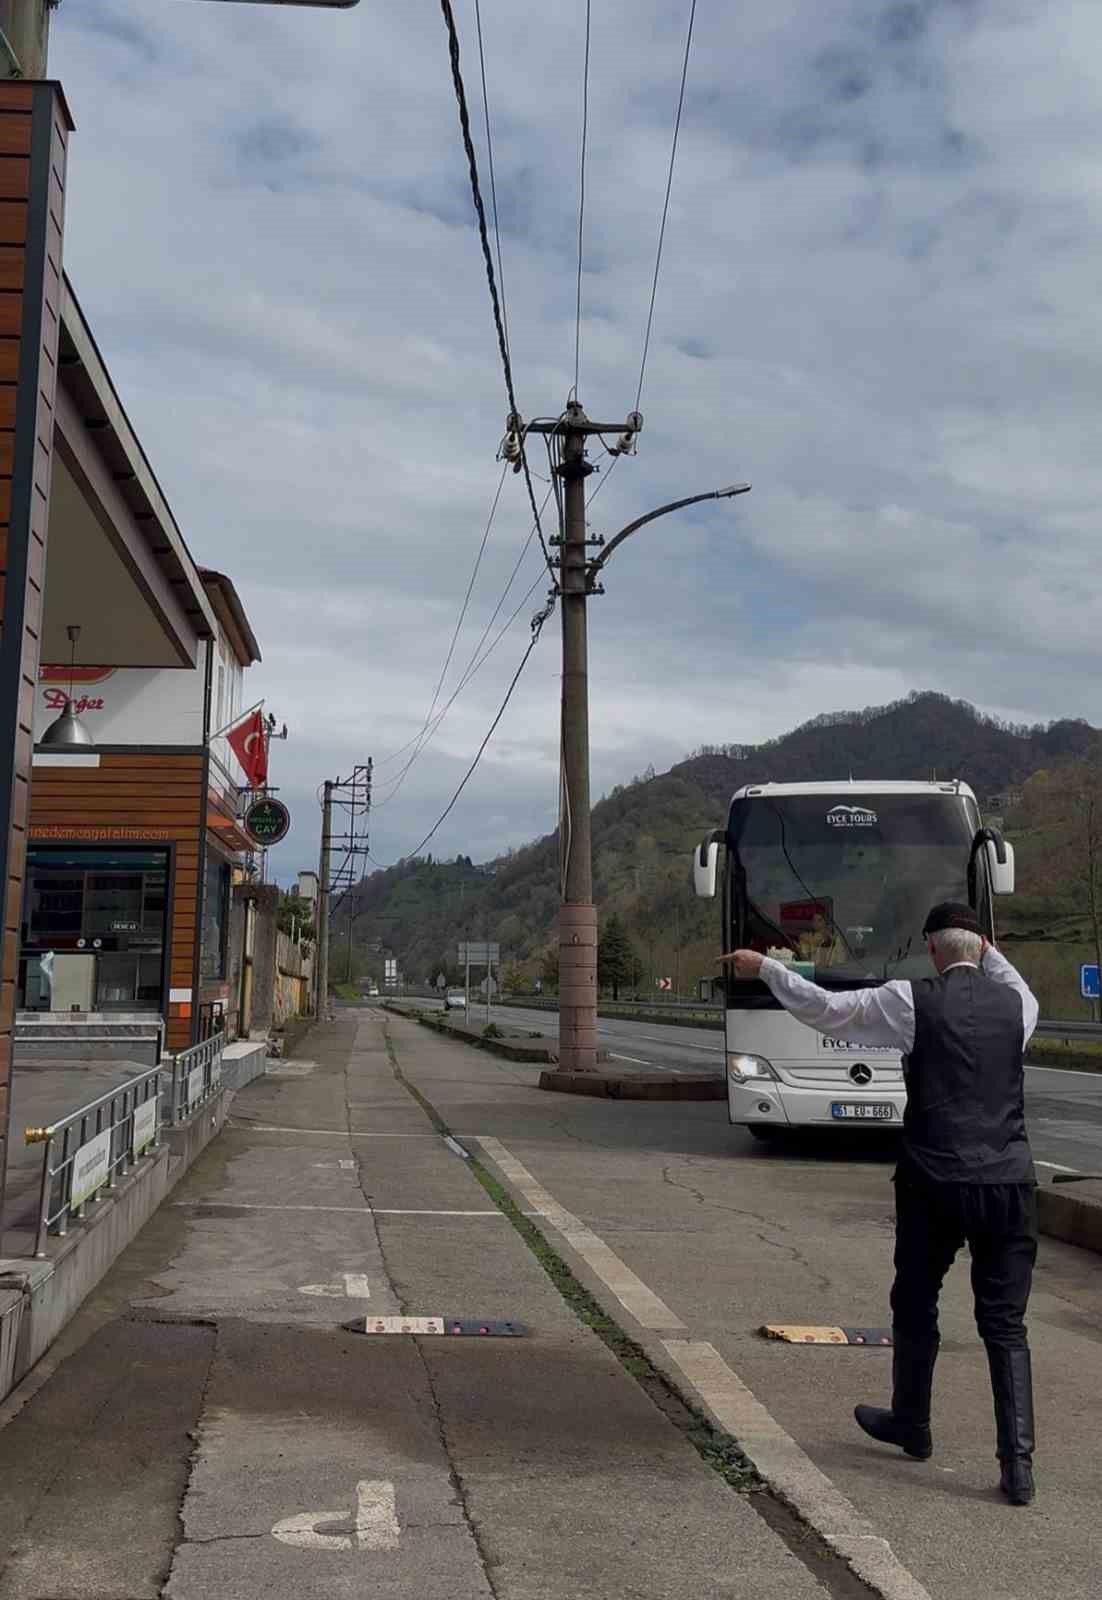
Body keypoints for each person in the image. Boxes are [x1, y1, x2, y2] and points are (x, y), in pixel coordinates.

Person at [720, 902, 1040, 1506]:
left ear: (933, 950)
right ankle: (1017, 1466)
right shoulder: (1020, 1007)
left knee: (916, 1302)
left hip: (933, 1179)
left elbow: (827, 1011)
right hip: (1009, 1183)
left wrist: (766, 967)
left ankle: (913, 1424)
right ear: (981, 950)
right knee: (1005, 1323)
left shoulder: (907, 999)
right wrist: (981, 944)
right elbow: (1005, 971)